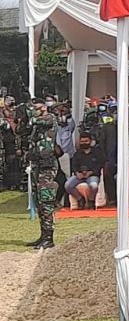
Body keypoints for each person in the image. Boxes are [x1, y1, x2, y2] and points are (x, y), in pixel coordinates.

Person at [25, 98, 59, 250]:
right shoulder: (35, 124)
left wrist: (30, 113)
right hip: (37, 165)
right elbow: (22, 129)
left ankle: (49, 237)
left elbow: (38, 121)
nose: (35, 110)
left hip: (47, 166)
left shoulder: (50, 118)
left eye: (37, 107)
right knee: (38, 201)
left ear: (44, 107)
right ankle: (43, 235)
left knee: (46, 201)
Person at [66, 131, 105, 210]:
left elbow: (100, 164)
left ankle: (91, 201)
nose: (84, 143)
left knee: (94, 186)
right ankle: (80, 199)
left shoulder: (97, 152)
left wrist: (90, 172)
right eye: (82, 142)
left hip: (92, 175)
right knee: (68, 185)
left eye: (86, 141)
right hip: (79, 176)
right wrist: (77, 173)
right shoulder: (77, 154)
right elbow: (74, 165)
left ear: (90, 141)